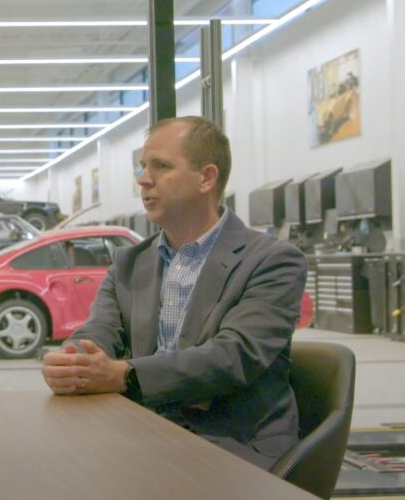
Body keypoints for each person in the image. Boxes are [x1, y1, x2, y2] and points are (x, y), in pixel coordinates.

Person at [42, 116, 307, 470]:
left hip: (232, 443)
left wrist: (125, 375)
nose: (143, 179)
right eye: (143, 167)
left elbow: (233, 357)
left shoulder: (273, 261)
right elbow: (100, 329)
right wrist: (76, 361)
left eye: (161, 166)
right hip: (144, 431)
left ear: (206, 178)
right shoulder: (130, 262)